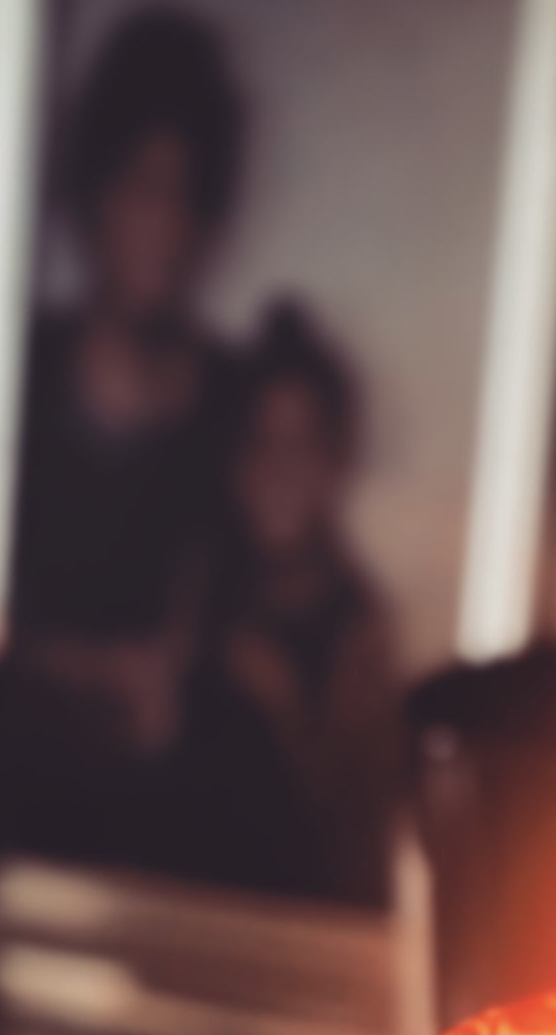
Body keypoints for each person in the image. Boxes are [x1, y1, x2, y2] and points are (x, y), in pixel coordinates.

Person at [0, 8, 243, 866]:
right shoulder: (12, 378)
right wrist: (100, 674)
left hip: (161, 849)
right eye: (143, 185)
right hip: (3, 826)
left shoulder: (229, 401)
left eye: (187, 194)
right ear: (93, 195)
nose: (165, 222)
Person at [168, 301, 396, 903]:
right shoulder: (197, 600)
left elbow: (357, 836)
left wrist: (289, 713)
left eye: (302, 444)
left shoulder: (359, 634)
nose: (280, 469)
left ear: (335, 462)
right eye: (261, 442)